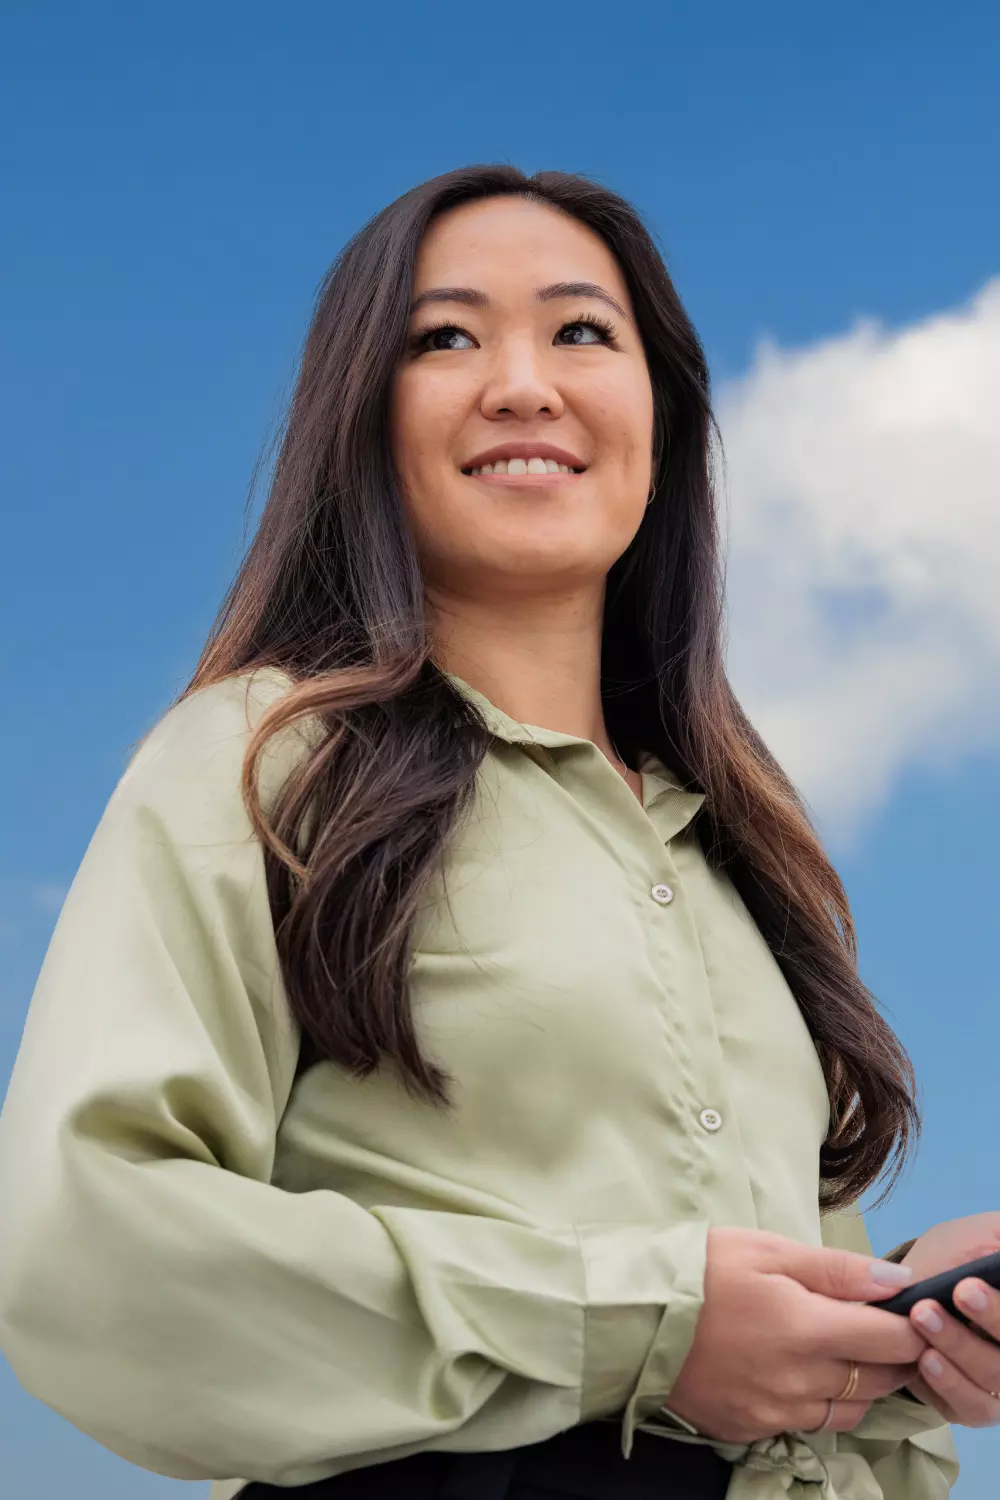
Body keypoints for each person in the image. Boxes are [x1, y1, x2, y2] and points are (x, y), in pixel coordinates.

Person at [0, 165, 997, 1500]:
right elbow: (88, 1244)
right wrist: (636, 1326)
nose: (526, 383)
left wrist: (903, 1323)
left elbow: (778, 1384)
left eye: (584, 332)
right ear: (360, 415)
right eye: (446, 337)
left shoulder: (747, 854)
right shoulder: (266, 763)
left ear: (663, 413)